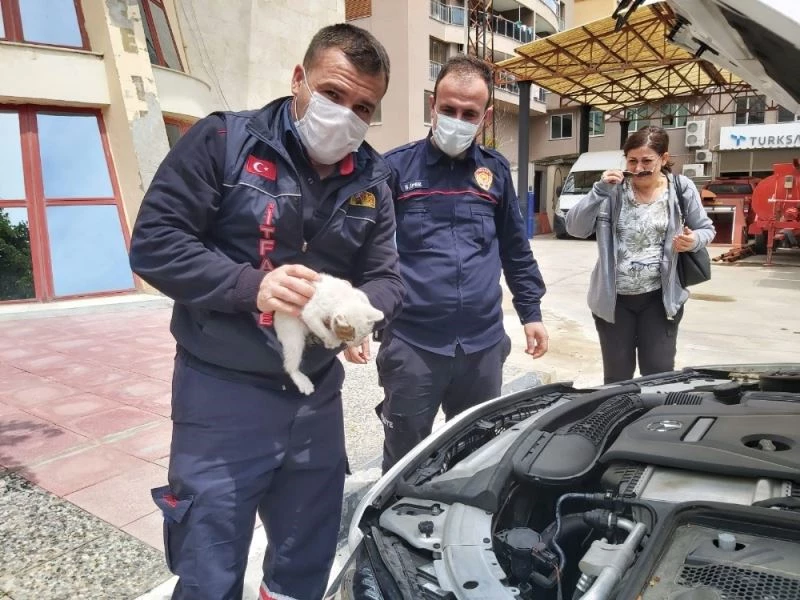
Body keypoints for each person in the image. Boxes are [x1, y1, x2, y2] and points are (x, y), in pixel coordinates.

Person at [128, 24, 403, 600]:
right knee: (209, 563)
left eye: (363, 107)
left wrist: (357, 311)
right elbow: (155, 242)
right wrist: (248, 285)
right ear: (299, 79)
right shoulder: (223, 141)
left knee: (306, 555)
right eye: (332, 94)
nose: (345, 115)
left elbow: (387, 279)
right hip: (220, 395)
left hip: (314, 398)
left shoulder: (374, 178)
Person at [344, 54, 548, 474]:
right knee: (405, 458)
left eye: (469, 113)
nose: (458, 119)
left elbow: (515, 247)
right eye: (449, 109)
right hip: (414, 346)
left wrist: (531, 311)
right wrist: (355, 317)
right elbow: (364, 248)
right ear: (432, 106)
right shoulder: (394, 169)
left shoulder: (495, 173)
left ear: (484, 116)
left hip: (482, 346)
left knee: (475, 456)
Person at [565, 125, 714, 384]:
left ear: (664, 159)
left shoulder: (680, 188)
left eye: (647, 160)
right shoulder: (612, 191)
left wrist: (693, 241)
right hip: (614, 302)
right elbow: (575, 229)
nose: (638, 168)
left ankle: (653, 424)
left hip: (660, 300)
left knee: (658, 375)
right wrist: (598, 190)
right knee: (617, 377)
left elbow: (705, 229)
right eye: (632, 160)